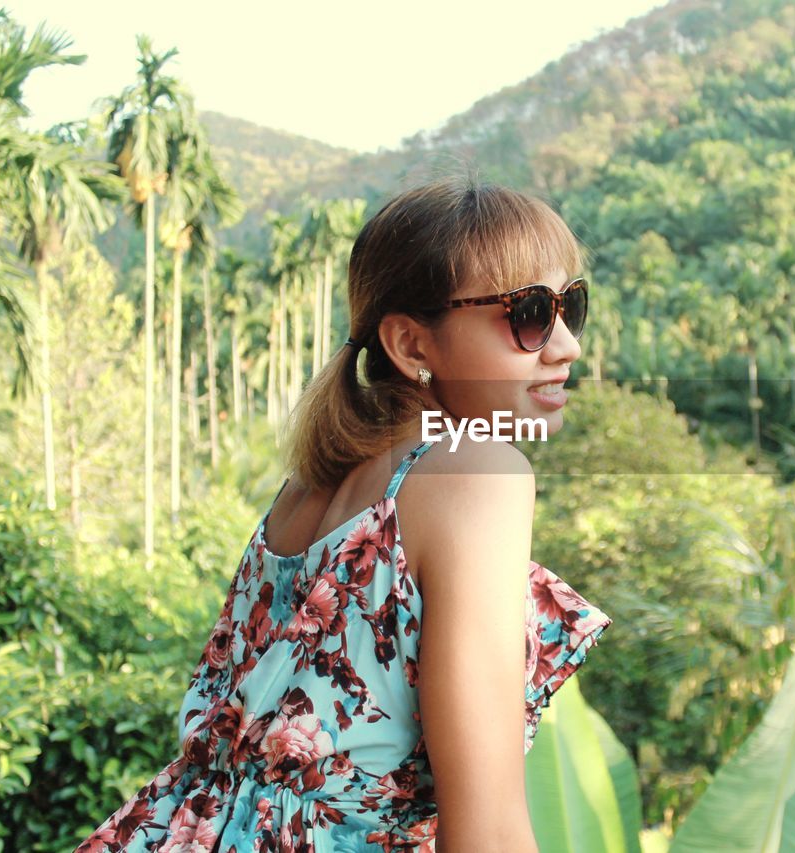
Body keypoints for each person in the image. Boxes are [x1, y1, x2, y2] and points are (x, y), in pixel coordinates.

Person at [76, 174, 614, 852]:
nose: (564, 344)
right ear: (412, 344)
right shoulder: (478, 472)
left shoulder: (309, 486)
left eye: (572, 306)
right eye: (530, 313)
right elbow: (489, 829)